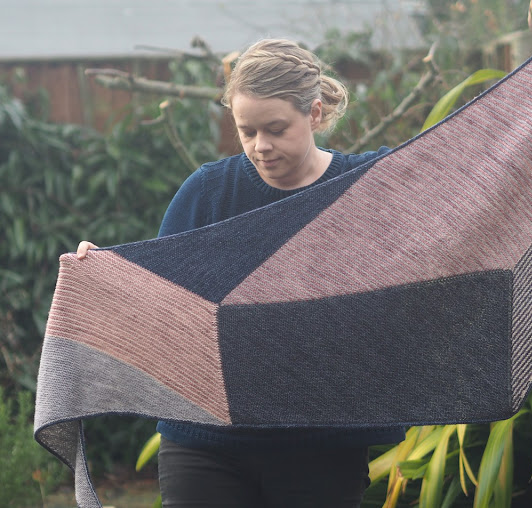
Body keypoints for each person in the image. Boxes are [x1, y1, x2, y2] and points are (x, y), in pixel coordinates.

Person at [76, 38, 405, 508]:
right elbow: (161, 295)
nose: (260, 147)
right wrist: (104, 274)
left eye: (275, 129)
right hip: (205, 442)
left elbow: (461, 197)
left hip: (322, 445)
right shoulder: (208, 193)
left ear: (314, 114)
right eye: (246, 131)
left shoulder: (366, 188)